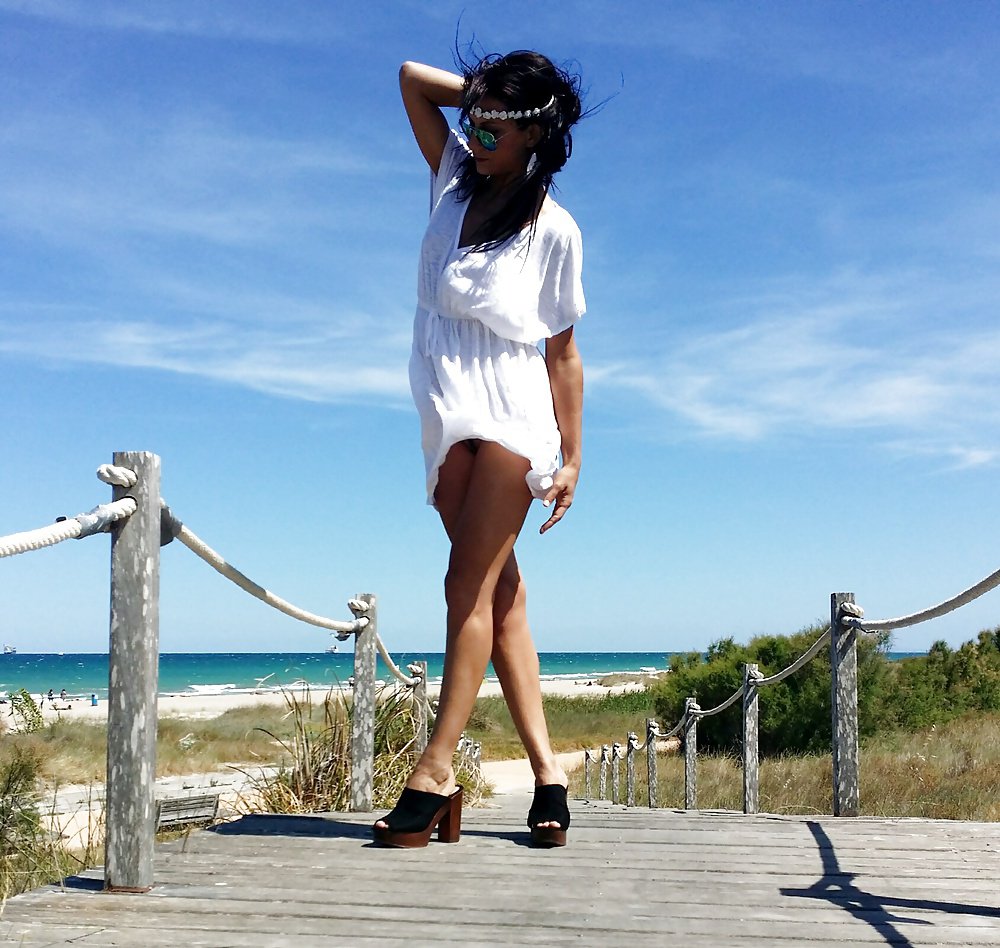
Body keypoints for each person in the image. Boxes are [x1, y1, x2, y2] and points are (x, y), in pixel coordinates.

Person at [373, 49, 586, 849]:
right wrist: (490, 101)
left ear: (536, 133)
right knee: (502, 599)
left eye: (499, 124)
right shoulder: (454, 178)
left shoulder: (554, 229)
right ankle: (549, 775)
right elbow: (411, 78)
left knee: (465, 585)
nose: (481, 133)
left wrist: (571, 458)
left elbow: (562, 354)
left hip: (511, 406)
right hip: (442, 399)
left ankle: (434, 773)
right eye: (478, 120)